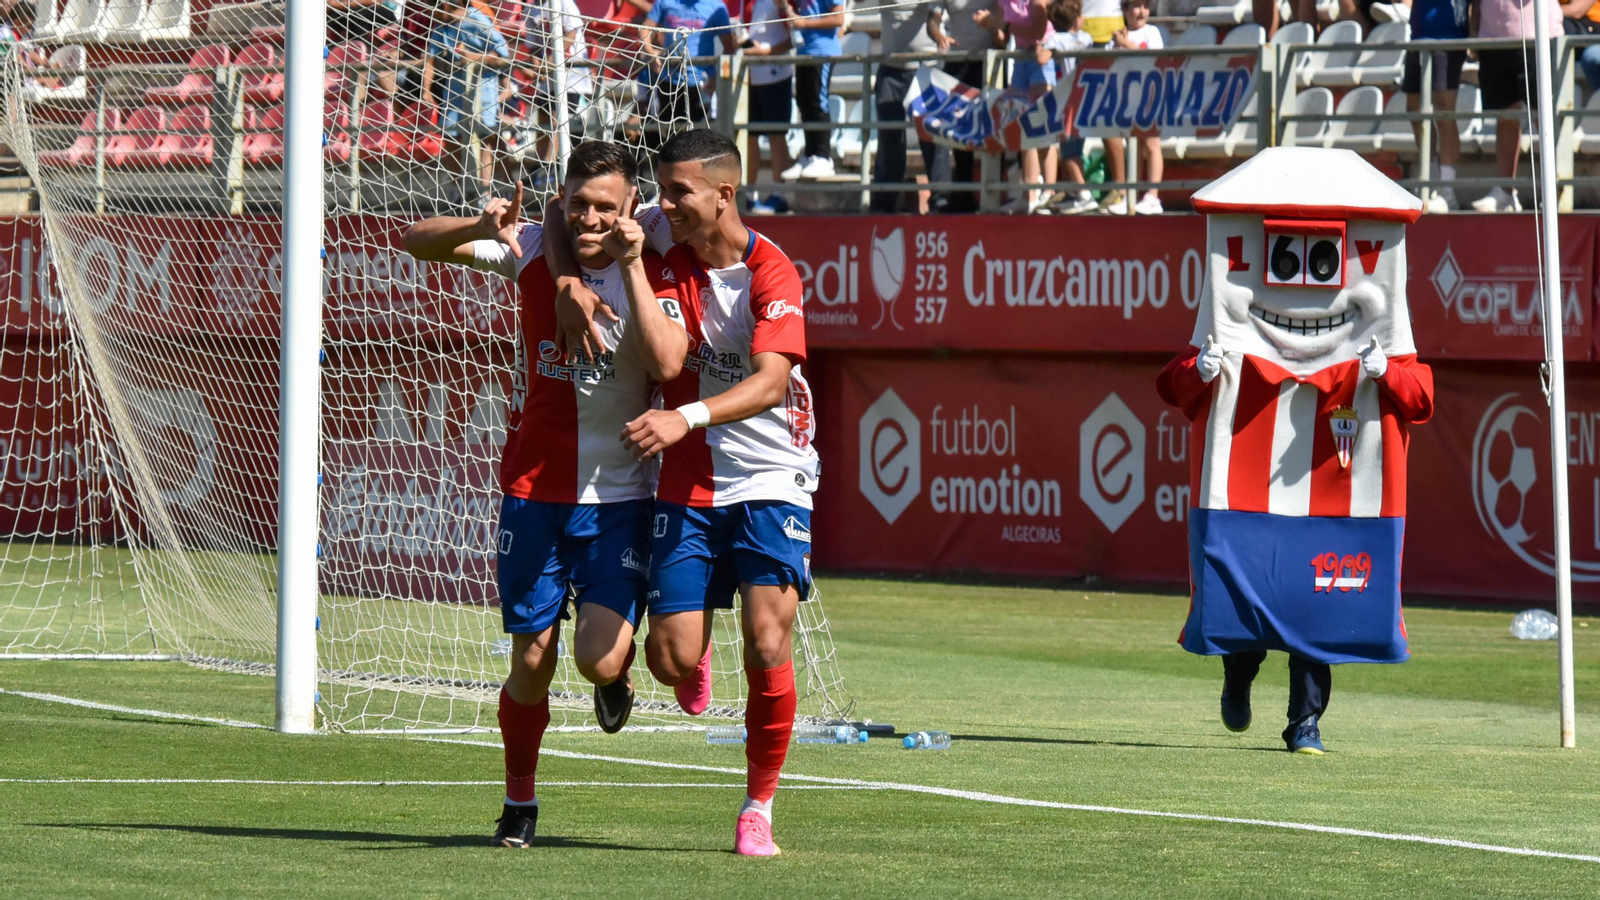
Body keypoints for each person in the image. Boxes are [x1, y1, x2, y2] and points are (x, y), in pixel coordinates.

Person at [400, 142, 688, 849]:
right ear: (563, 203)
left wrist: (617, 268)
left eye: (605, 206)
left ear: (631, 209)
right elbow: (411, 241)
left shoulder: (652, 263)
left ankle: (617, 674)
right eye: (579, 204)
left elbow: (669, 362)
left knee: (596, 658)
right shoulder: (530, 248)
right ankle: (518, 801)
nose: (591, 218)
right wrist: (478, 224)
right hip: (533, 489)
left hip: (621, 496)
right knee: (530, 658)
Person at [548, 129, 820, 857]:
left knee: (768, 639)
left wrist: (686, 414)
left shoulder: (773, 272)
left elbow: (769, 383)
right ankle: (688, 651)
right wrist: (566, 281)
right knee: (669, 661)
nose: (664, 207)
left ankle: (758, 805)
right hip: (690, 478)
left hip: (771, 475)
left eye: (679, 194)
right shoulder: (663, 232)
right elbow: (559, 212)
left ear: (725, 194)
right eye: (661, 192)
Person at [1470, 0, 1560, 211]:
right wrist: (1474, 31)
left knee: (1543, 116)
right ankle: (1505, 191)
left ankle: (1555, 189)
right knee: (1505, 115)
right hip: (1493, 38)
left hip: (1537, 35)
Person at [422, 0, 513, 192]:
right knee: (450, 137)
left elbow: (503, 57)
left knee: (487, 138)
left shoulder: (478, 20)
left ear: (444, 6)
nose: (428, 13)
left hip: (484, 89)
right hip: (454, 92)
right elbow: (430, 60)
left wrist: (474, 58)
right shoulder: (441, 28)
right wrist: (426, 89)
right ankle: (460, 189)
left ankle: (488, 189)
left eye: (431, 8)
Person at [926, 0, 1005, 211]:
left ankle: (995, 194)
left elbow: (1004, 16)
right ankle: (964, 196)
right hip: (957, 61)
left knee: (994, 131)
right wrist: (939, 36)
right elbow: (932, 21)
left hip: (989, 64)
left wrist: (995, 28)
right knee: (959, 133)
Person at [976, 0, 1053, 212]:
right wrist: (991, 26)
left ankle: (1049, 191)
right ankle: (1029, 195)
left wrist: (1004, 26)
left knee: (1043, 125)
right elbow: (1003, 39)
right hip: (1019, 58)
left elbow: (1038, 30)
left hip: (1042, 56)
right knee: (1024, 128)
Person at [870, 0, 947, 213]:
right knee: (889, 136)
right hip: (891, 68)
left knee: (934, 136)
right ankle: (884, 201)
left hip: (927, 66)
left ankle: (941, 199)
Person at [1099, 0, 1163, 214]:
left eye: (1146, 6)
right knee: (1134, 146)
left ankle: (1153, 196)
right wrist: (1118, 46)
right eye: (1136, 6)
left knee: (1152, 145)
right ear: (1124, 10)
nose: (1142, 11)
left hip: (1150, 97)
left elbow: (1155, 59)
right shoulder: (1118, 36)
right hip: (1127, 100)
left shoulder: (1152, 32)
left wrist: (1126, 45)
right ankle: (1130, 195)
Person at [1403, 0, 1466, 213]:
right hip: (1418, 36)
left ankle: (1447, 190)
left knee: (1444, 110)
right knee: (1414, 109)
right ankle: (1429, 179)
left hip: (1448, 37)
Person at [642, 0, 737, 127]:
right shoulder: (665, 2)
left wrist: (716, 78)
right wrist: (651, 51)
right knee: (667, 133)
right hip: (667, 81)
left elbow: (729, 48)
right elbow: (644, 30)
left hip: (702, 84)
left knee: (698, 136)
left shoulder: (716, 7)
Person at [779, 0, 845, 179]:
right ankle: (809, 154)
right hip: (804, 51)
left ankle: (823, 157)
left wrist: (805, 23)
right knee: (804, 103)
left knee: (818, 102)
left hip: (822, 52)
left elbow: (838, 19)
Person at [743, 0, 798, 213]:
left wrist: (766, 52)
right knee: (749, 136)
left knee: (777, 134)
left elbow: (794, 37)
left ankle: (779, 194)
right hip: (748, 75)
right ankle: (750, 193)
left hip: (776, 74)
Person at [1042, 0, 1096, 213]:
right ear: (1076, 19)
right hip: (1085, 99)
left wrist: (1041, 46)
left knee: (1068, 152)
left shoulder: (1057, 39)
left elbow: (1042, 57)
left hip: (1067, 102)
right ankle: (1076, 192)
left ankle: (1084, 193)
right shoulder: (1087, 39)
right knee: (1076, 149)